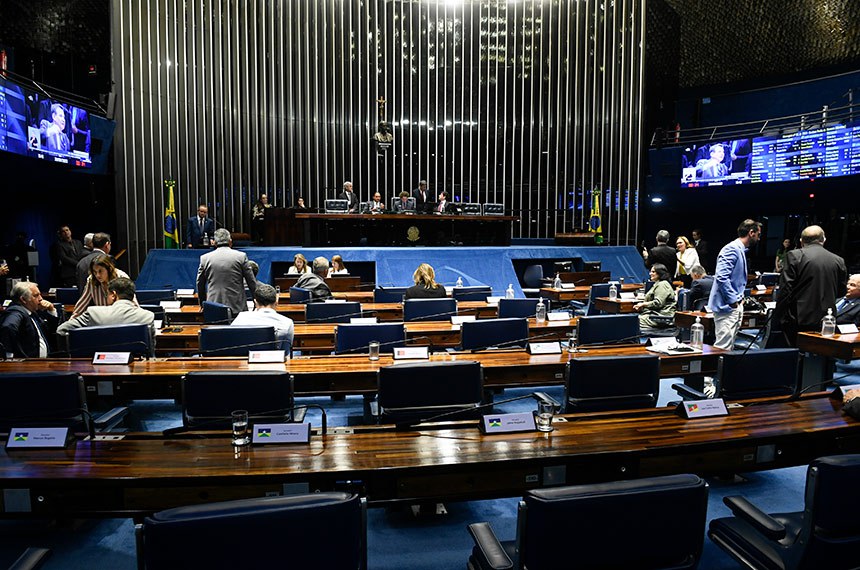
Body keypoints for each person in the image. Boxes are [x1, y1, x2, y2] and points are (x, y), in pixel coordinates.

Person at [775, 225, 847, 346]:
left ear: (801, 241)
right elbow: (841, 292)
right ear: (823, 240)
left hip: (798, 318)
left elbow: (785, 290)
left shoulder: (794, 255)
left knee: (795, 356)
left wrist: (779, 317)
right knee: (822, 355)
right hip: (827, 320)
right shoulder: (838, 260)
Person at [707, 219, 761, 350]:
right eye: (758, 235)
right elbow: (721, 277)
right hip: (727, 307)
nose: (759, 239)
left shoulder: (739, 249)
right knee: (723, 348)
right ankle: (717, 371)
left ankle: (723, 370)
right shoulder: (731, 249)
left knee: (728, 347)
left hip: (733, 306)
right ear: (751, 233)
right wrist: (733, 301)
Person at [57, 278, 155, 343]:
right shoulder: (147, 316)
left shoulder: (94, 313)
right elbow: (151, 348)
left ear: (113, 295)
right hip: (137, 369)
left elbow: (61, 330)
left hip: (99, 369)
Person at [196, 229, 257, 318]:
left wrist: (203, 303)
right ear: (230, 242)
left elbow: (200, 284)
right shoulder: (241, 257)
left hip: (213, 305)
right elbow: (251, 282)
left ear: (215, 243)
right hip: (237, 305)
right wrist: (256, 301)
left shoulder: (205, 258)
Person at [0, 281, 59, 358]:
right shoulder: (16, 312)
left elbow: (51, 331)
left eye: (40, 295)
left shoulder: (31, 312)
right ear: (23, 299)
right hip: (29, 366)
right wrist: (10, 356)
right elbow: (8, 327)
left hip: (44, 362)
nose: (41, 299)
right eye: (36, 296)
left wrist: (51, 310)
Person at [230, 283, 295, 353]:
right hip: (274, 362)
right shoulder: (287, 323)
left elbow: (232, 342)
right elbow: (285, 352)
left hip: (244, 361)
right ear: (277, 302)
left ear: (255, 302)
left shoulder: (241, 318)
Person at [71, 255, 135, 318]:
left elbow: (133, 304)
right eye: (95, 272)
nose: (97, 275)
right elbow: (82, 304)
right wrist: (71, 320)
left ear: (109, 269)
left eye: (100, 271)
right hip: (103, 320)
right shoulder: (91, 280)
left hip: (122, 319)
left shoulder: (121, 277)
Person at [634, 264, 676, 330]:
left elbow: (658, 303)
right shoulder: (658, 284)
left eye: (653, 272)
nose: (650, 273)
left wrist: (643, 304)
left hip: (660, 317)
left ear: (660, 273)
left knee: (631, 322)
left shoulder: (662, 285)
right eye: (651, 271)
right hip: (654, 315)